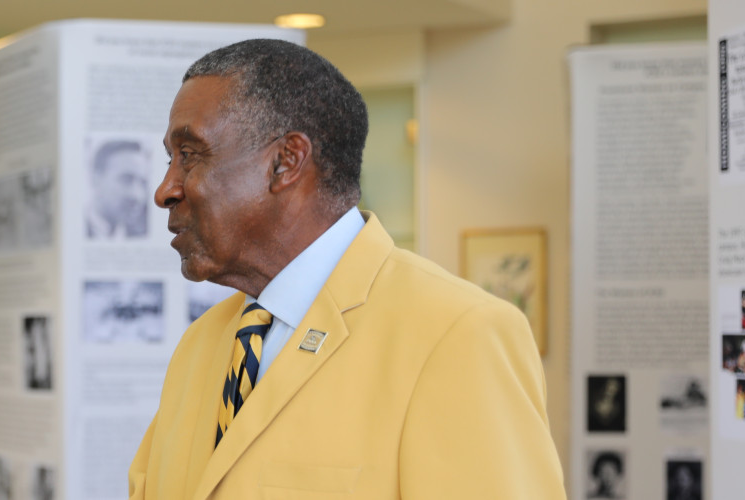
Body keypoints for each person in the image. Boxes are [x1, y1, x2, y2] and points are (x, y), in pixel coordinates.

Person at [128, 39, 564, 499]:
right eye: (170, 159)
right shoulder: (201, 345)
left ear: (286, 162)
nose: (165, 189)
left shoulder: (456, 335)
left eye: (190, 154)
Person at [86, 140, 151, 239]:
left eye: (143, 183)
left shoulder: (140, 236)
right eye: (126, 179)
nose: (137, 195)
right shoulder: (73, 229)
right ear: (96, 179)